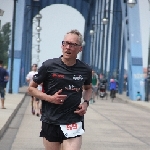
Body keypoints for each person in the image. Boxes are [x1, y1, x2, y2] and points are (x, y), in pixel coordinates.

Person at [28, 29, 92, 150]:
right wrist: (50, 98)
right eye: (65, 43)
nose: (68, 47)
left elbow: (88, 88)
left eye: (72, 45)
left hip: (73, 120)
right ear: (61, 45)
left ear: (80, 49)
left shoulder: (85, 69)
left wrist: (85, 102)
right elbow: (31, 89)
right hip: (51, 120)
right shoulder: (49, 66)